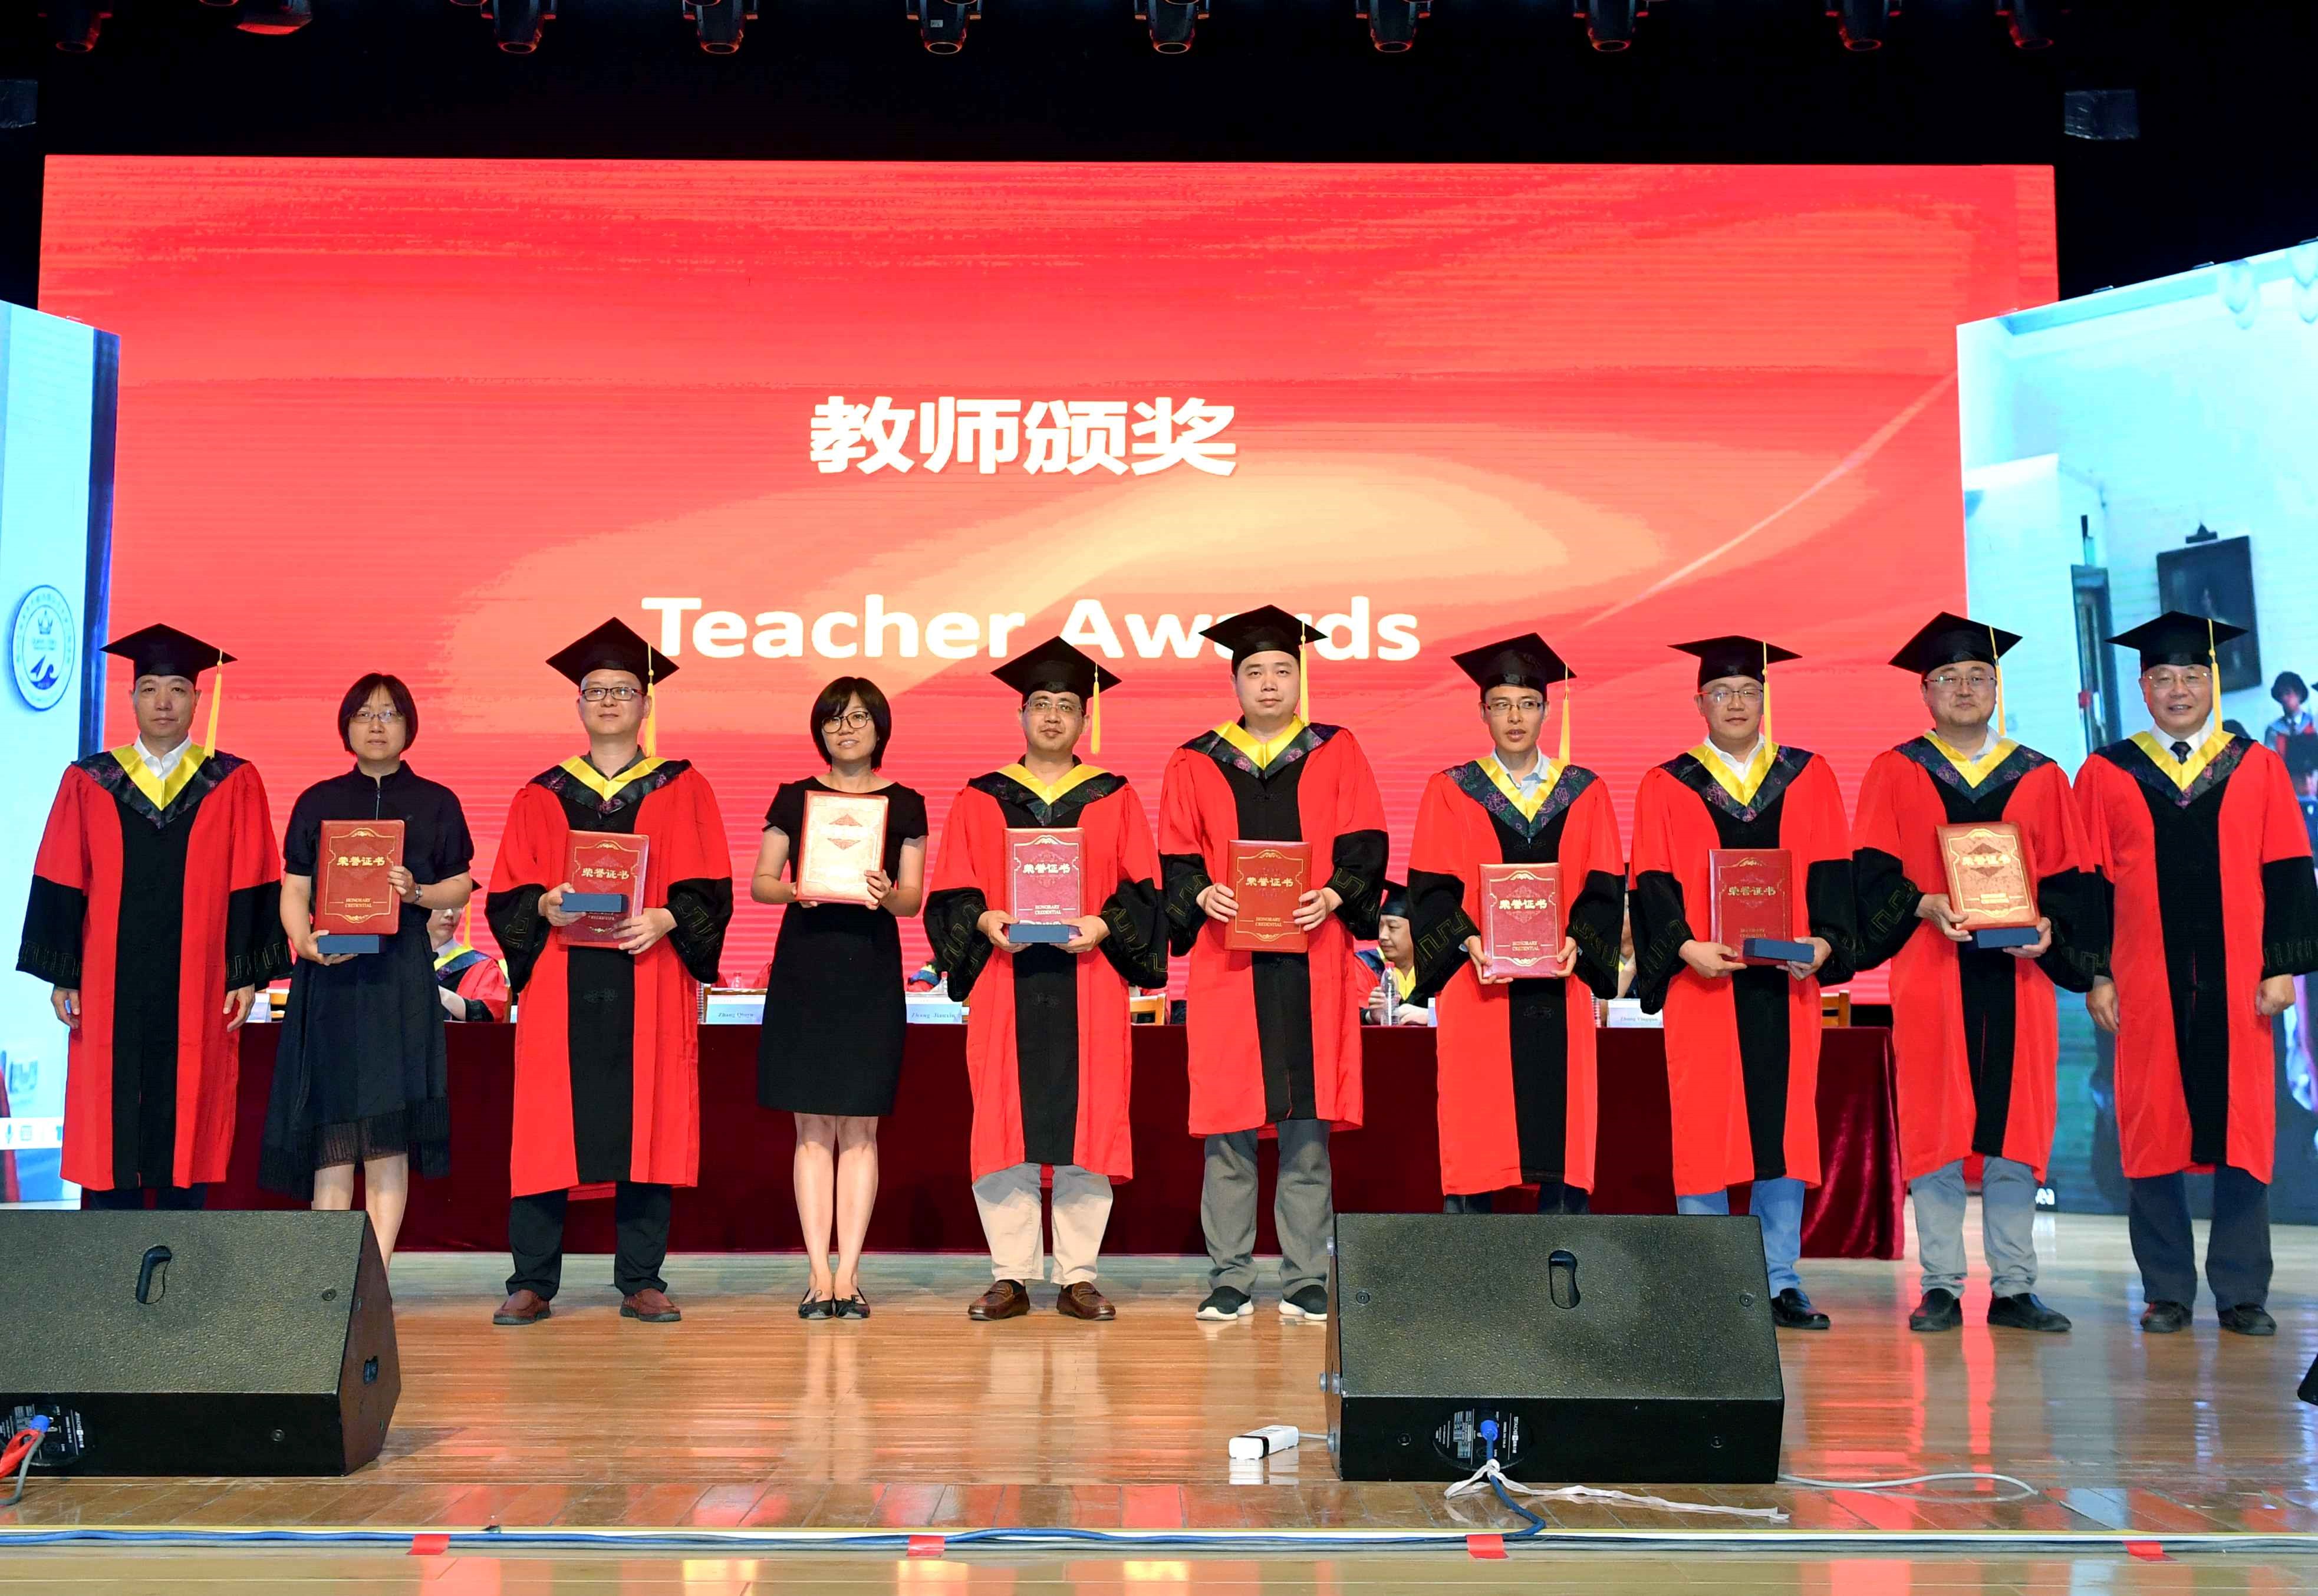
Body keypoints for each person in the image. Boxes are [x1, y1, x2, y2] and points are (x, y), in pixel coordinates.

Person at [1849, 614, 2102, 1334]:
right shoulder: (1894, 769)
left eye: (1977, 677)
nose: (1963, 689)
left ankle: (2014, 1286)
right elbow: (1870, 875)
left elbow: (2069, 879)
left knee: (2015, 1128)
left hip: (2018, 979)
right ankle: (1939, 1283)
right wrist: (1921, 903)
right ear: (1925, 692)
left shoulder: (2041, 775)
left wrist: (2049, 930)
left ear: (1995, 687)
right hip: (1930, 973)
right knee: (1933, 1123)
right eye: (1947, 678)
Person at [2073, 612, 2318, 1336]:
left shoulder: (2256, 766)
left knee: (2244, 1130)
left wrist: (2283, 967)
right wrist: (2096, 974)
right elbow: (2088, 883)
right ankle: (2166, 1291)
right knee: (2150, 1129)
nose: (2176, 689)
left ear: (2210, 683)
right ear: (2142, 687)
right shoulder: (2106, 772)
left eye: (2190, 675)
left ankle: (2241, 1291)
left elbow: (2287, 871)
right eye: (2161, 677)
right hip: (2143, 981)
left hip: (2240, 982)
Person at [485, 619, 732, 1327]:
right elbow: (508, 892)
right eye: (596, 691)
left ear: (645, 703)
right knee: (545, 1127)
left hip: (647, 972)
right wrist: (543, 904)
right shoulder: (541, 792)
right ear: (578, 704)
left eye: (623, 690)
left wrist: (668, 918)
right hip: (561, 977)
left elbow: (710, 886)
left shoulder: (684, 786)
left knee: (648, 1122)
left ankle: (641, 1279)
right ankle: (531, 1280)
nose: (609, 701)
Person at [923, 638, 1167, 1322]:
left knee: (1089, 1124)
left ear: (1084, 719)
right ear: (1021, 715)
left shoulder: (1114, 796)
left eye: (1065, 705)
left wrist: (1103, 923)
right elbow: (951, 891)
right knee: (1003, 1121)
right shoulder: (980, 797)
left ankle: (1078, 1275)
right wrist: (983, 919)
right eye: (1040, 704)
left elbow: (1143, 890)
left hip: (1089, 980)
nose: (1052, 716)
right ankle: (1010, 1274)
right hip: (1006, 978)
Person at [1158, 605, 1387, 1324]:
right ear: (1234, 682)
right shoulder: (1195, 758)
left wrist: (1335, 894)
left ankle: (1304, 1276)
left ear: (1299, 679)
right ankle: (1229, 1276)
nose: (1267, 683)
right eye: (1253, 671)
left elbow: (1365, 843)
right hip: (1227, 963)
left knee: (1306, 1126)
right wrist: (1202, 892)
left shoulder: (1336, 750)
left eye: (1282, 670)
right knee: (1227, 1127)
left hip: (1311, 957)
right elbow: (1175, 855)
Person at [17, 624, 288, 1210]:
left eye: (177, 689)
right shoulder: (90, 780)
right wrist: (64, 973)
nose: (163, 701)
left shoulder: (232, 781)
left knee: (192, 1111)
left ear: (197, 698)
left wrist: (245, 972)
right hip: (107, 982)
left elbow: (253, 874)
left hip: (200, 982)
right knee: (108, 1118)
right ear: (132, 698)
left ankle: (178, 1250)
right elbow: (63, 873)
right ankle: (109, 1253)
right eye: (149, 688)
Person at [1628, 636, 1856, 1330]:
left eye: (1747, 692)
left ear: (1764, 699)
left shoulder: (1807, 775)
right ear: (1698, 702)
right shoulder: (1666, 782)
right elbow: (1651, 884)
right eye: (1721, 693)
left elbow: (1831, 874)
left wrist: (1824, 942)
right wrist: (1683, 947)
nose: (1735, 703)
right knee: (1704, 1125)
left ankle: (1778, 1278)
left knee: (1783, 1130)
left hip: (1786, 985)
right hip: (1704, 984)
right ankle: (1705, 1279)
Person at [258, 674, 476, 1262]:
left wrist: (418, 892)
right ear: (346, 726)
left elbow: (460, 883)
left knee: (387, 1134)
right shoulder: (318, 800)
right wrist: (302, 941)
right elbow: (294, 887)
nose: (377, 725)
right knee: (331, 1134)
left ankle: (374, 1278)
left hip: (399, 979)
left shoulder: (436, 801)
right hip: (330, 976)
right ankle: (331, 1278)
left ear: (408, 726)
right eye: (364, 714)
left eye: (389, 713)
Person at [1407, 634, 1625, 1216]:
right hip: (1478, 987)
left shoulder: (1584, 791)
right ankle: (1471, 1261)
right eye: (1501, 704)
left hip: (1560, 985)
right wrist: (1466, 939)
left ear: (1546, 711)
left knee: (1561, 1133)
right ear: (1482, 711)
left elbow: (1604, 885)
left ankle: (1560, 1255)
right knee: (1476, 1125)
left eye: (1527, 704)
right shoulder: (1450, 790)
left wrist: (1579, 940)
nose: (1514, 717)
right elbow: (1429, 889)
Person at [753, 676, 928, 1320]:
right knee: (809, 1128)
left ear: (880, 728)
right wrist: (795, 888)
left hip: (870, 969)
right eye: (833, 719)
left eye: (857, 718)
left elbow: (912, 901)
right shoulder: (794, 797)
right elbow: (761, 883)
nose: (845, 729)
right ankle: (816, 1275)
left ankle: (849, 1274)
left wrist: (887, 893)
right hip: (805, 966)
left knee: (859, 1127)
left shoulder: (906, 804)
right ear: (819, 729)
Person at [432, 906, 511, 1022]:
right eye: (441, 905)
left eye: (457, 906)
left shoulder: (483, 966)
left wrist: (439, 993)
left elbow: (490, 1016)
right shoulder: (404, 960)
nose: (449, 914)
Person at [2264, 671, 2314, 752]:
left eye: (2288, 693)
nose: (2284, 698)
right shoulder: (2273, 731)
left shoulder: (2314, 724)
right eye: (2281, 694)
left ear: (2299, 695)